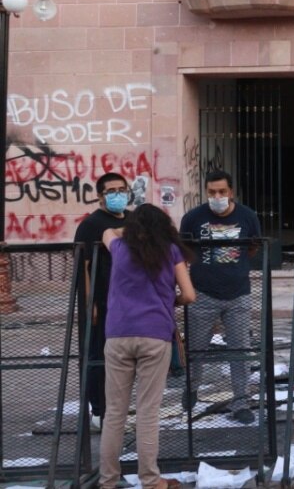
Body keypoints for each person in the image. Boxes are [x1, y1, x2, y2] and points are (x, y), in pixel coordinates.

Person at [99, 204, 195, 489]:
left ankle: (107, 481)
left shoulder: (118, 247)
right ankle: (151, 480)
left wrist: (126, 228)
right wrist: (170, 302)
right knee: (147, 412)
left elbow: (107, 231)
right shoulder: (171, 251)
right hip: (155, 334)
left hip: (117, 335)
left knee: (114, 412)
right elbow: (189, 295)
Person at [179, 170, 262, 424]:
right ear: (206, 192)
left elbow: (252, 247)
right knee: (196, 348)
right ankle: (191, 389)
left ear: (231, 192)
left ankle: (241, 402)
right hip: (202, 293)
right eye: (212, 192)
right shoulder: (193, 218)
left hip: (238, 294)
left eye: (222, 192)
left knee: (240, 350)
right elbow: (184, 252)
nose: (217, 197)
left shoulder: (247, 216)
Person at [74, 172, 130, 431]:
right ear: (100, 196)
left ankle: (117, 408)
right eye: (111, 191)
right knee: (99, 356)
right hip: (102, 300)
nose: (118, 194)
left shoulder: (133, 220)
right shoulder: (90, 225)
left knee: (124, 358)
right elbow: (82, 267)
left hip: (127, 301)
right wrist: (89, 303)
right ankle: (99, 410)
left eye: (122, 189)